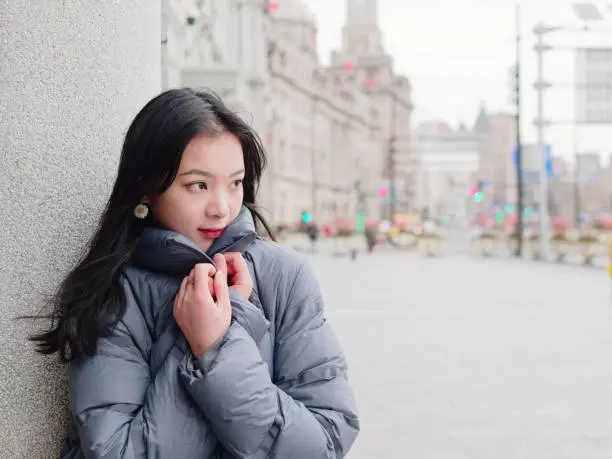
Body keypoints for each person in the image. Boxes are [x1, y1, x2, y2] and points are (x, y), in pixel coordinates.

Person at [30, 88, 359, 458]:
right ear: (148, 191)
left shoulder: (283, 276)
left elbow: (325, 443)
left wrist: (221, 346)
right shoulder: (113, 292)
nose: (222, 207)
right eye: (198, 185)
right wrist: (202, 346)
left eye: (235, 183)